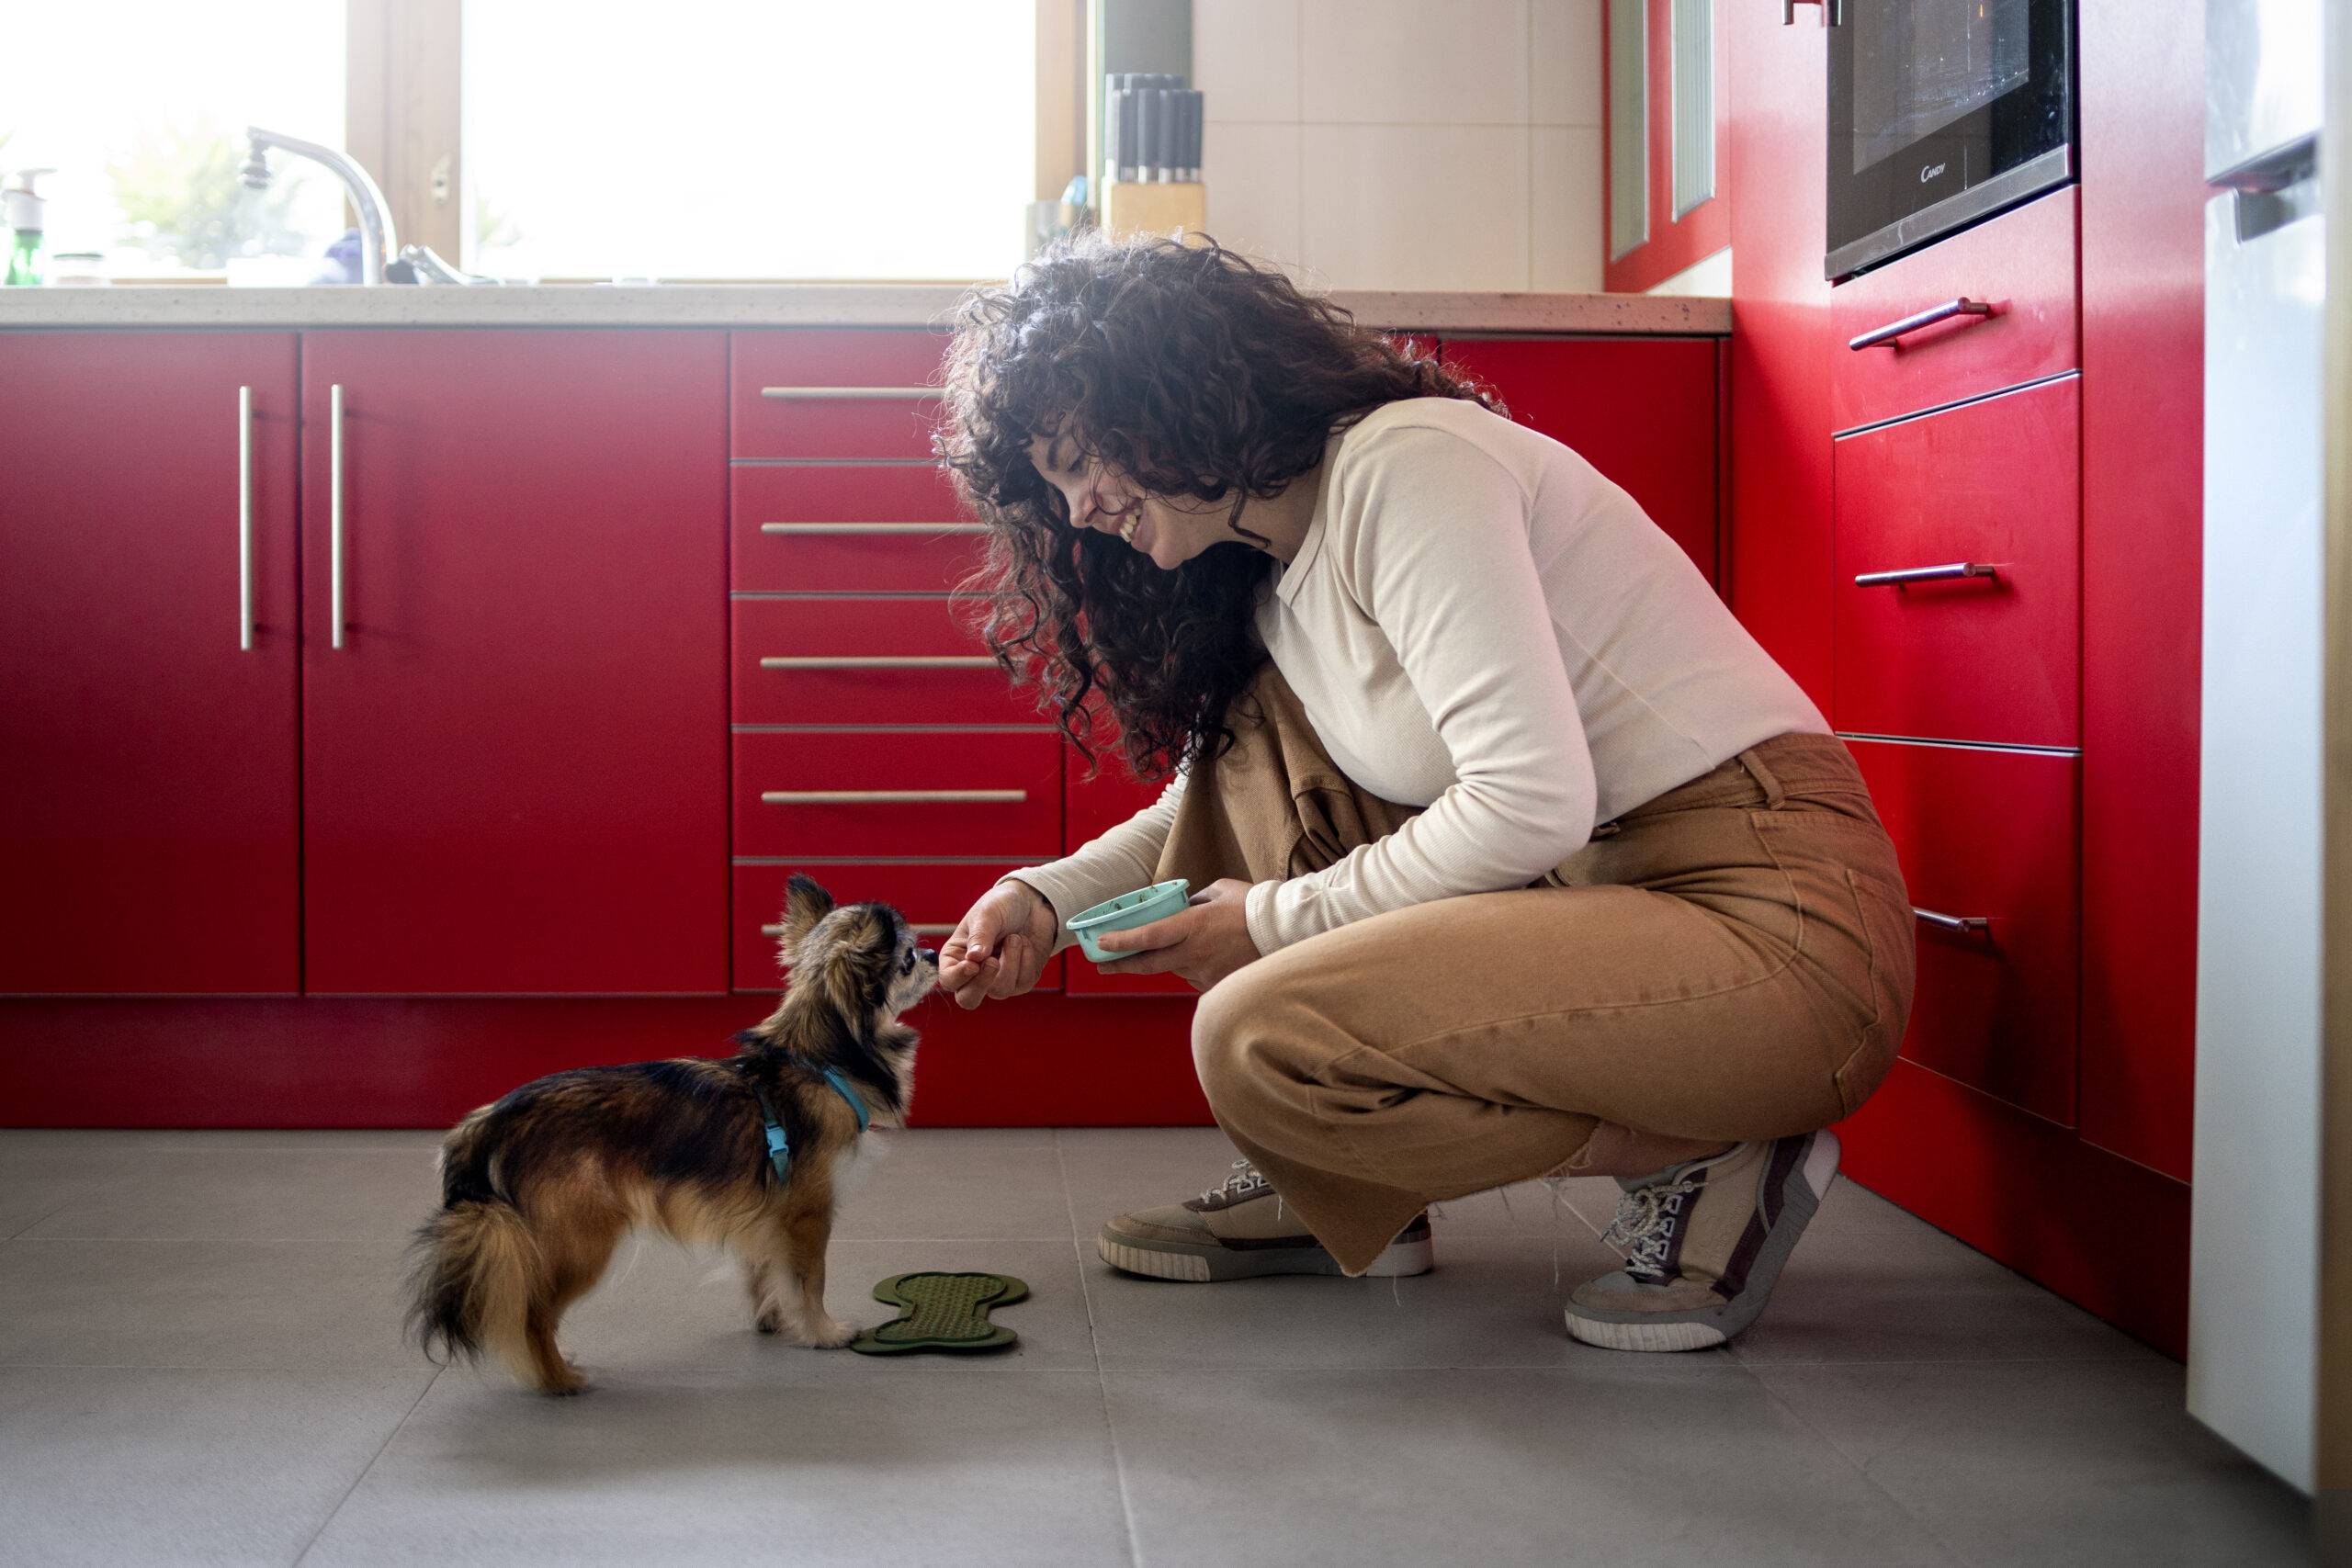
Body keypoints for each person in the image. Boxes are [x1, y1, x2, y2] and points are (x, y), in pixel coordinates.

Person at [930, 233, 1914, 1351]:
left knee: (1257, 1035)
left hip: (1771, 931)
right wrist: (1043, 903)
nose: (1073, 511)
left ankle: (1720, 1152)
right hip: (1597, 900)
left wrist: (1261, 922)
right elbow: (1207, 814)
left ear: (1170, 393)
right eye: (1050, 484)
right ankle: (1356, 1193)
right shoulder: (1264, 582)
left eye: (1078, 458)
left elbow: (1528, 801)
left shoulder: (1406, 466)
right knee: (1258, 789)